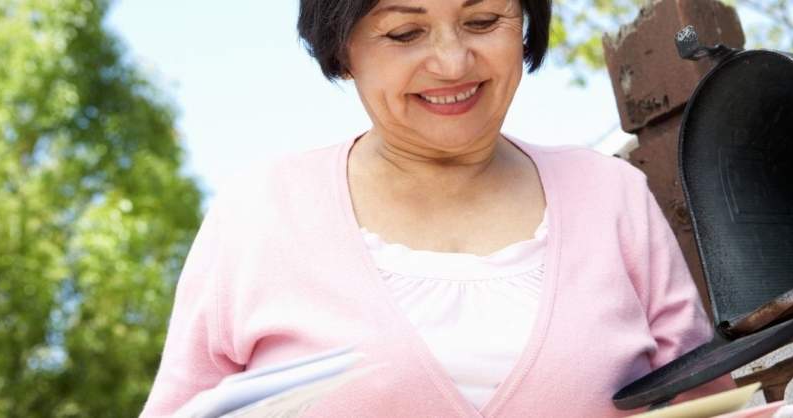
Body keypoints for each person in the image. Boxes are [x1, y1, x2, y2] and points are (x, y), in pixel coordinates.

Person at [140, 0, 733, 416]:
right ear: (342, 48)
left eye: (481, 21)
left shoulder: (612, 196)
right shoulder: (258, 215)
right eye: (405, 33)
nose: (453, 63)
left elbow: (707, 404)